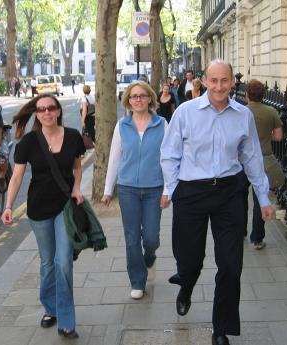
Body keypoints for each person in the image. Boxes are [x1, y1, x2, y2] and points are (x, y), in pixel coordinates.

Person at [160, 60, 274, 345]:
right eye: (214, 81)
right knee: (189, 259)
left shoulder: (242, 115)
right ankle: (186, 284)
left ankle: (221, 328)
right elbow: (170, 154)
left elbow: (251, 157)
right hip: (191, 192)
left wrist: (262, 197)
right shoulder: (186, 113)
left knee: (231, 264)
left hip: (229, 192)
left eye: (225, 81)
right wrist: (171, 190)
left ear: (232, 82)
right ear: (205, 81)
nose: (220, 86)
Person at [1, 94, 85, 339]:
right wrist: (8, 206)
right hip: (38, 209)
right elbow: (16, 177)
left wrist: (77, 187)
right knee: (48, 262)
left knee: (63, 262)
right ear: (36, 114)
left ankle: (67, 321)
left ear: (58, 111)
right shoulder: (28, 142)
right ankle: (51, 307)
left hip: (65, 207)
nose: (46, 113)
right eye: (41, 109)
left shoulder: (72, 137)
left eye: (50, 108)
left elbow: (77, 167)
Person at [102, 80, 168, 300]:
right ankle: (137, 281)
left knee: (151, 237)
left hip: (154, 188)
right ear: (128, 101)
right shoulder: (122, 126)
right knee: (131, 238)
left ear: (150, 98)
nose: (138, 100)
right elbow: (114, 159)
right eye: (133, 97)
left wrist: (168, 189)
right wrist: (107, 190)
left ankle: (150, 258)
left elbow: (168, 160)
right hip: (128, 188)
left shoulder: (162, 125)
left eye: (142, 95)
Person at [243, 79, 283, 250]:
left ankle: (240, 231)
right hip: (263, 160)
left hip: (241, 160)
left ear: (246, 94)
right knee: (261, 198)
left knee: (239, 198)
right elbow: (279, 137)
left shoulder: (241, 112)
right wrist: (266, 137)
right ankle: (257, 239)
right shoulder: (271, 111)